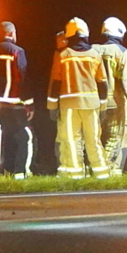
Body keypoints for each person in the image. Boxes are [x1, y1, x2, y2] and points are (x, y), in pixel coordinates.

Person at [48, 17, 110, 179]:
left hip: (69, 104)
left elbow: (55, 82)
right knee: (93, 139)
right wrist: (103, 106)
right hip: (92, 104)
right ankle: (101, 173)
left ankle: (76, 174)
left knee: (71, 139)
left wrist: (52, 107)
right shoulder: (94, 54)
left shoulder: (63, 55)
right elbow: (102, 83)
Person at [0, 21, 33, 179]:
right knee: (23, 137)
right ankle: (20, 172)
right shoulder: (17, 51)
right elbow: (22, 77)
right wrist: (28, 104)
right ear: (12, 34)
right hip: (13, 102)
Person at [94, 17, 127, 176]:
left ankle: (105, 170)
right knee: (114, 139)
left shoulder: (93, 50)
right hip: (116, 102)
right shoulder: (121, 52)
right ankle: (104, 172)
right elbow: (125, 80)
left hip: (96, 103)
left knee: (98, 139)